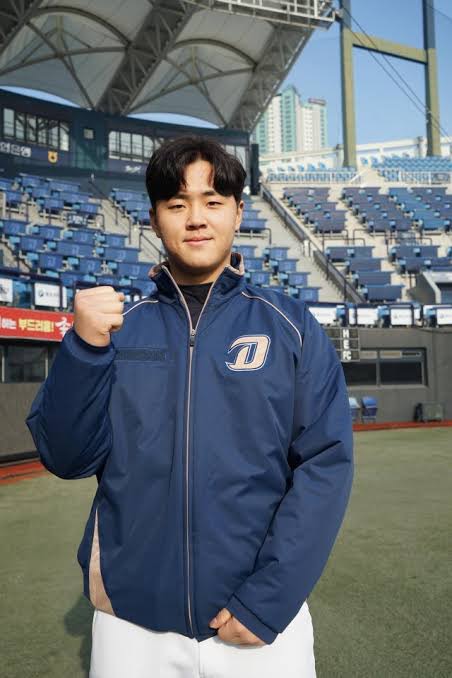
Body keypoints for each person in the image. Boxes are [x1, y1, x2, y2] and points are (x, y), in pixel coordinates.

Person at [25, 135, 354, 677]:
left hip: (258, 621)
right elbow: (65, 457)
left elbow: (325, 466)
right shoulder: (119, 331)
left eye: (212, 201)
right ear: (155, 219)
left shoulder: (291, 327)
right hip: (132, 623)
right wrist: (82, 351)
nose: (196, 218)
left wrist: (269, 598)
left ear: (238, 212)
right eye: (177, 204)